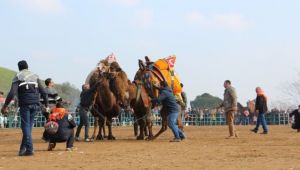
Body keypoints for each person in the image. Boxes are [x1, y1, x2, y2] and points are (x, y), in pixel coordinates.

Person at [1, 60, 48, 156]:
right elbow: (43, 91)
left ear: (19, 67)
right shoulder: (35, 76)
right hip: (35, 104)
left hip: (25, 104)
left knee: (25, 127)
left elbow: (12, 93)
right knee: (28, 128)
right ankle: (22, 150)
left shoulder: (18, 76)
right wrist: (46, 104)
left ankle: (30, 149)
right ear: (27, 66)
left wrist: (5, 106)